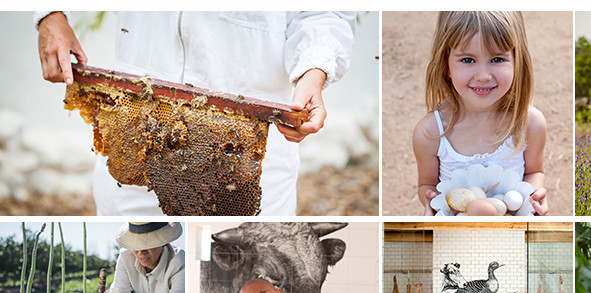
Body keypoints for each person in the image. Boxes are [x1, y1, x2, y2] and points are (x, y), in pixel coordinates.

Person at [35, 11, 356, 216]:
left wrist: (314, 70)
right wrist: (49, 14)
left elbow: (326, 11)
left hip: (246, 156)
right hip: (135, 144)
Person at [413, 11, 548, 216]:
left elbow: (534, 172)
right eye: (467, 60)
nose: (483, 76)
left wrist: (534, 196)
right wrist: (431, 201)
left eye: (497, 59)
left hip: (511, 228)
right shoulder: (430, 132)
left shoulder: (530, 123)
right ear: (446, 65)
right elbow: (426, 184)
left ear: (516, 62)